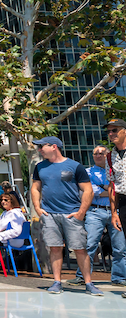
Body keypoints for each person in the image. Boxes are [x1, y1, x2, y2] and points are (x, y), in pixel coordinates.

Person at [30, 136, 100, 296]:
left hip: (71, 214)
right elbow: (35, 188)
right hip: (49, 214)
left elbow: (88, 190)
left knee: (80, 249)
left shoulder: (75, 166)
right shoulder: (40, 167)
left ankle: (89, 283)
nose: (39, 150)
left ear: (54, 146)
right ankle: (56, 282)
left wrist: (81, 212)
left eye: (42, 146)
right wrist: (38, 208)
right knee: (54, 248)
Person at [69, 146, 125, 287]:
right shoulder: (86, 172)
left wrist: (105, 188)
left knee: (120, 247)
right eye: (96, 153)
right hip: (95, 212)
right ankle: (82, 276)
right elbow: (93, 193)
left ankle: (119, 277)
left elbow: (118, 190)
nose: (98, 155)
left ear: (108, 155)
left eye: (102, 153)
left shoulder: (117, 170)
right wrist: (113, 190)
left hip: (116, 212)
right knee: (90, 244)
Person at [105, 119, 126, 299]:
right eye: (109, 131)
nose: (111, 134)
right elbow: (113, 186)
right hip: (124, 202)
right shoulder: (110, 156)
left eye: (115, 130)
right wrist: (114, 212)